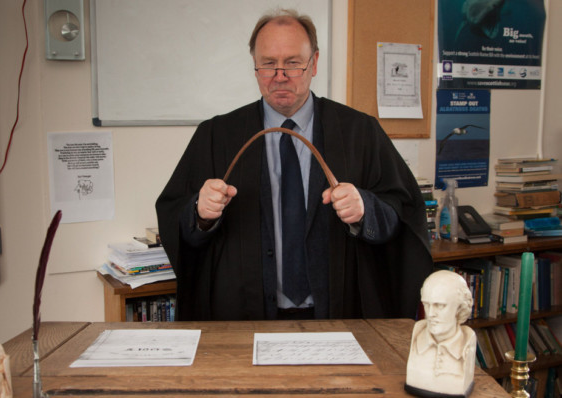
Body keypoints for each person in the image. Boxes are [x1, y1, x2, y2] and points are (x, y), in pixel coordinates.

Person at [156, 9, 432, 321]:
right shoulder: (216, 135)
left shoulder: (361, 132)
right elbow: (177, 224)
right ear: (255, 67)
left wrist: (366, 209)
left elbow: (405, 215)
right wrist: (200, 214)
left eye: (292, 63)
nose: (280, 76)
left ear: (314, 63)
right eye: (268, 64)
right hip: (243, 319)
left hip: (341, 315)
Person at [405, 270, 476, 396]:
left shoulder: (466, 344)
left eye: (440, 306)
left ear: (460, 306)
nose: (431, 313)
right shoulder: (417, 335)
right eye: (427, 304)